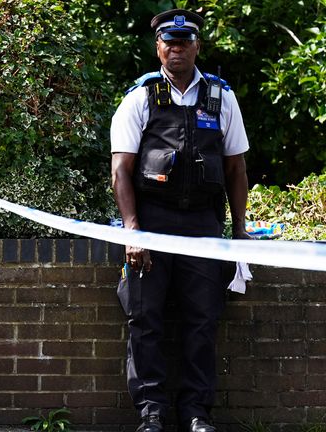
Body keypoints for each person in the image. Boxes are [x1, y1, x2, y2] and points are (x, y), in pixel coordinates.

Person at [110, 9, 250, 432]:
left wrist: (239, 232)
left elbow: (236, 171)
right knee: (145, 319)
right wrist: (133, 231)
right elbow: (121, 170)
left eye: (184, 41)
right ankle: (151, 412)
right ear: (158, 47)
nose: (177, 49)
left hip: (202, 227)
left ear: (196, 46)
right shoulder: (140, 97)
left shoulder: (221, 97)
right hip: (151, 222)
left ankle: (195, 413)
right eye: (169, 42)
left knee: (202, 320)